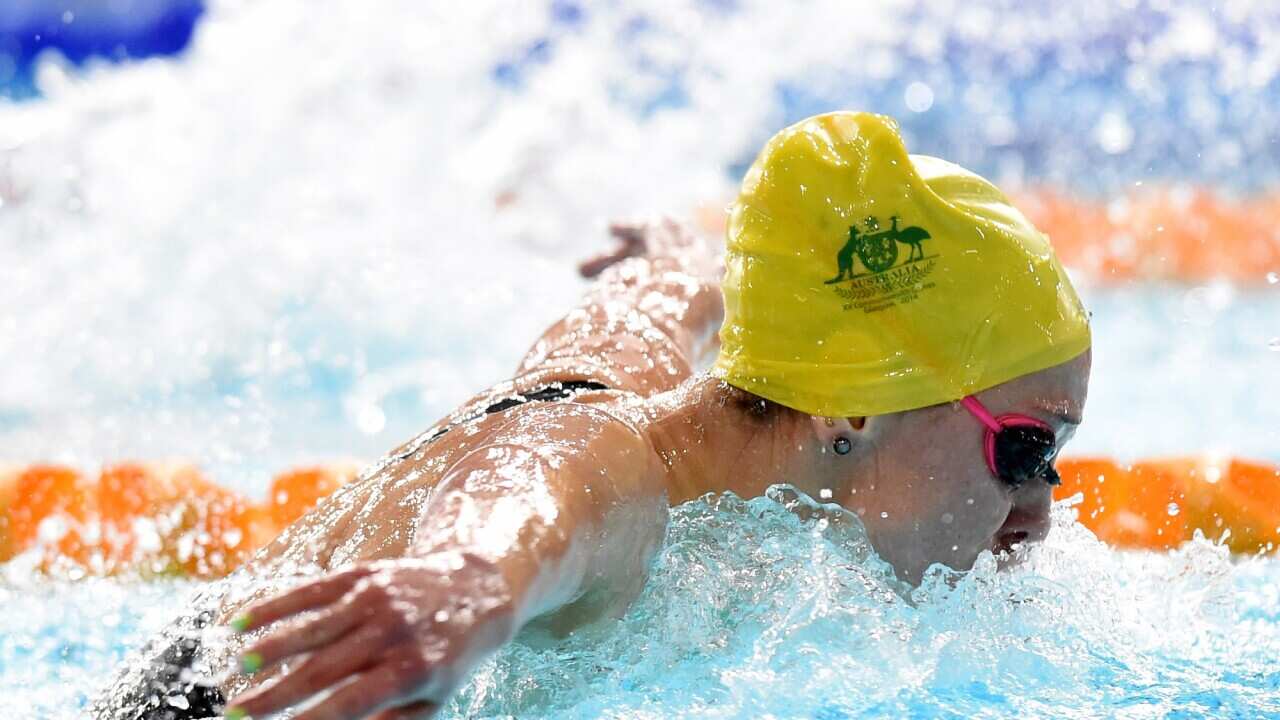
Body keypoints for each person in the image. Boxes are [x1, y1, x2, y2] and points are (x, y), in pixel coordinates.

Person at [92, 111, 1091, 720]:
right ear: (848, 405)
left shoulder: (640, 373)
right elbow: (525, 492)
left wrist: (678, 260)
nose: (1037, 508)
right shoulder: (610, 474)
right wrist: (469, 580)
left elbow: (665, 291)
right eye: (1025, 447)